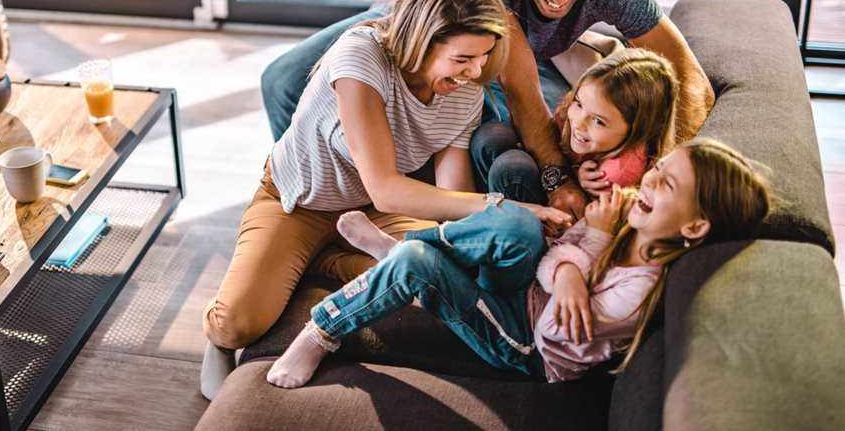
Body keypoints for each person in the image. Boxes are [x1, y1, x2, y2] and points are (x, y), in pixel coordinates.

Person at [201, 0, 573, 399]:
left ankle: (329, 256)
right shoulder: (361, 57)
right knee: (239, 323)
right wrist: (507, 208)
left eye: (483, 57)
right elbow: (385, 185)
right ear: (421, 41)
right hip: (300, 202)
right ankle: (237, 318)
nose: (475, 72)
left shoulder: (465, 87)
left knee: (444, 274)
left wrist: (473, 231)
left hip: (379, 212)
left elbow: (448, 194)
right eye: (462, 59)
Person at [260, 0, 714, 218]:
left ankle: (394, 204)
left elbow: (691, 79)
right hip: (420, 29)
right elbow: (518, 85)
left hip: (506, 59)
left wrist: (662, 169)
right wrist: (557, 182)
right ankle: (319, 209)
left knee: (571, 133)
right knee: (281, 81)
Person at [265, 138, 770, 387]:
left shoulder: (637, 293)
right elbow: (554, 263)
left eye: (667, 187)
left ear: (694, 227)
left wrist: (585, 246)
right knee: (517, 226)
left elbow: (554, 331)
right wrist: (572, 259)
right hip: (526, 294)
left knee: (417, 261)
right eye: (657, 171)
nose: (650, 184)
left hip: (523, 342)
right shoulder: (627, 224)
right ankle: (405, 254)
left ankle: (323, 329)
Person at [478, 47, 680, 204]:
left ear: (640, 129)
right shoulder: (575, 118)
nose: (579, 123)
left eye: (598, 121)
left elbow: (589, 223)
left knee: (511, 168)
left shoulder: (617, 174)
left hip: (565, 221)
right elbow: (556, 129)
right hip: (561, 174)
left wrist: (579, 183)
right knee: (493, 137)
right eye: (579, 103)